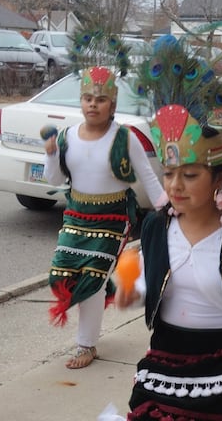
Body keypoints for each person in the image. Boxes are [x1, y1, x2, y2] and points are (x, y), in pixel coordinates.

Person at [115, 99, 222, 421]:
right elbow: (154, 281)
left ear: (220, 177)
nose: (175, 185)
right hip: (164, 359)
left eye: (190, 175)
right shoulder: (155, 226)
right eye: (168, 173)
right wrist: (132, 292)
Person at [43, 65, 164, 369]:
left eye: (99, 99)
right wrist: (50, 153)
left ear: (112, 103)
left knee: (93, 279)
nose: (92, 104)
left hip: (112, 219)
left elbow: (148, 178)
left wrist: (170, 209)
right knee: (61, 277)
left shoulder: (124, 138)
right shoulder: (67, 136)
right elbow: (54, 180)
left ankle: (87, 345)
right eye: (86, 98)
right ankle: (111, 290)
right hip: (75, 215)